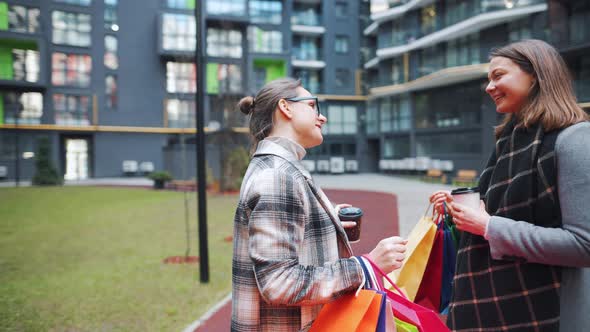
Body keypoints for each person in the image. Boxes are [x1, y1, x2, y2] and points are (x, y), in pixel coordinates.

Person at [430, 39, 590, 331]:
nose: (489, 87)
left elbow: (583, 245)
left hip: (546, 315)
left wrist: (489, 226)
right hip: (490, 309)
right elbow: (493, 214)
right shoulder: (508, 142)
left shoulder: (575, 140)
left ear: (536, 74)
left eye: (498, 75)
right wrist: (458, 212)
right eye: (488, 79)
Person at [231, 77, 407, 331]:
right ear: (286, 107)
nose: (322, 117)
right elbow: (279, 283)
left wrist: (326, 220)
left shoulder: (277, 168)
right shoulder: (278, 176)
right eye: (313, 105)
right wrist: (367, 265)